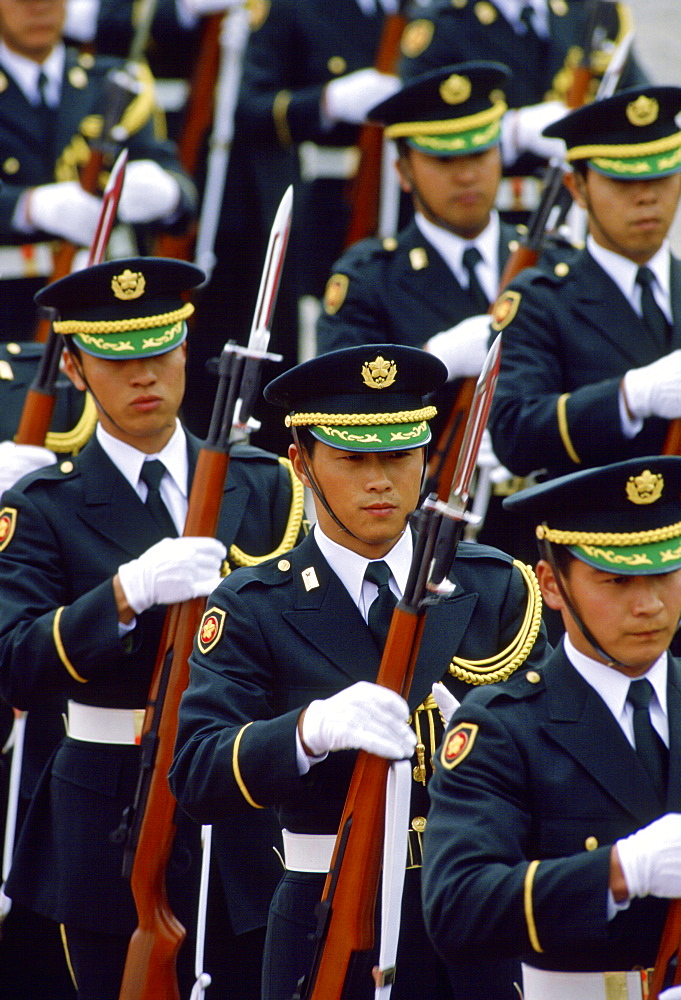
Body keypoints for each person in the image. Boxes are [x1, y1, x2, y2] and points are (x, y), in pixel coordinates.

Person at [169, 342, 550, 1000]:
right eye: (352, 459)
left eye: (399, 456)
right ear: (301, 463)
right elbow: (198, 772)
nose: (380, 480)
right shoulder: (256, 604)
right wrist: (306, 731)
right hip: (329, 918)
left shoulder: (491, 587)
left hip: (476, 917)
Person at [0, 256, 304, 1000]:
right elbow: (13, 661)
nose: (144, 374)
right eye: (116, 356)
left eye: (159, 350)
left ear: (185, 350)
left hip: (240, 804)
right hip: (108, 807)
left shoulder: (261, 482)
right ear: (73, 366)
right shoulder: (43, 504)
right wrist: (125, 594)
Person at [422, 454, 681, 999]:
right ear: (552, 584)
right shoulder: (505, 728)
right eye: (616, 580)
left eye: (666, 572)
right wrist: (616, 871)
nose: (650, 604)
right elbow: (457, 906)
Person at [183, 0, 402, 452]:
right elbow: (249, 107)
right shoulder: (290, 8)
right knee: (312, 337)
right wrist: (324, 103)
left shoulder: (420, 12)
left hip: (400, 194)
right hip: (319, 201)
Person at [315, 61, 572, 373]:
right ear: (404, 172)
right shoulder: (368, 281)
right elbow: (345, 403)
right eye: (444, 159)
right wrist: (430, 361)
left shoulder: (552, 263)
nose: (466, 176)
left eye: (480, 153)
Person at [487, 84, 681, 482]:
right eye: (623, 182)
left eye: (662, 176)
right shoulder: (540, 300)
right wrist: (627, 398)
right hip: (592, 530)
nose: (647, 197)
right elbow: (514, 433)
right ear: (577, 188)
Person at [0, 0, 198, 341]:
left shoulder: (112, 81)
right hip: (11, 312)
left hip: (106, 307)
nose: (40, 9)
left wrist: (168, 193)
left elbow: (176, 180)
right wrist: (26, 207)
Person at [398, 0, 649, 218]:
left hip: (582, 212)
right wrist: (513, 132)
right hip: (487, 215)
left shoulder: (588, 12)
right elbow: (427, 135)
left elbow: (640, 108)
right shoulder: (443, 25)